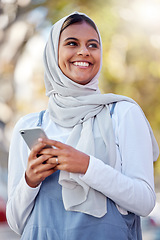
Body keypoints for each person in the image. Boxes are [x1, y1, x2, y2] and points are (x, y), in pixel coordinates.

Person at [6, 12, 159, 239]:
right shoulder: (29, 126)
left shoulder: (123, 113)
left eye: (92, 45)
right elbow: (16, 223)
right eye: (71, 43)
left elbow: (145, 202)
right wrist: (30, 181)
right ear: (53, 53)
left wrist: (87, 166)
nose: (84, 52)